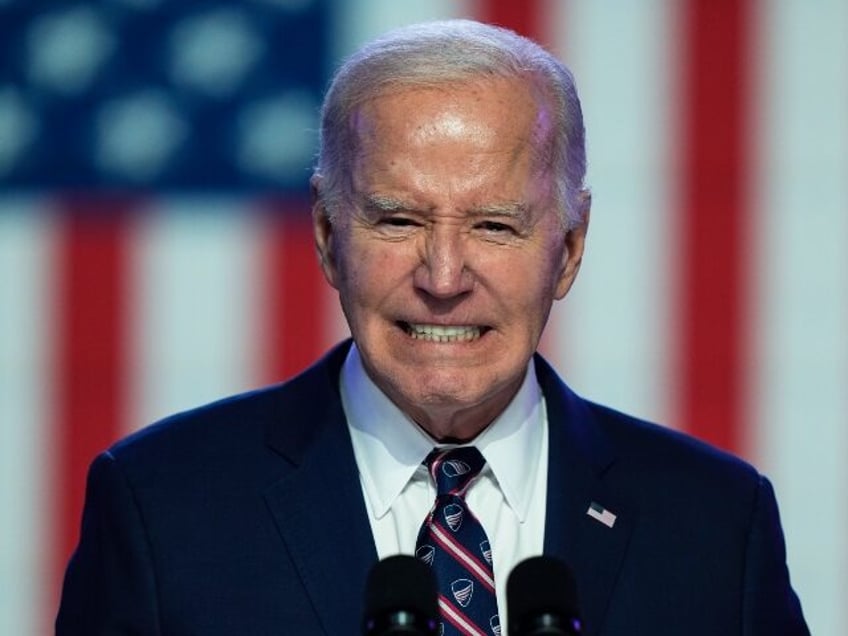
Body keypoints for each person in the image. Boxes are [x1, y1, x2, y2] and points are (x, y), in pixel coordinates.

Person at [56, 19, 808, 635]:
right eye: (398, 219)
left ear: (569, 250)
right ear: (326, 234)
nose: (444, 278)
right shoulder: (162, 506)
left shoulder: (714, 525)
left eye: (493, 225)